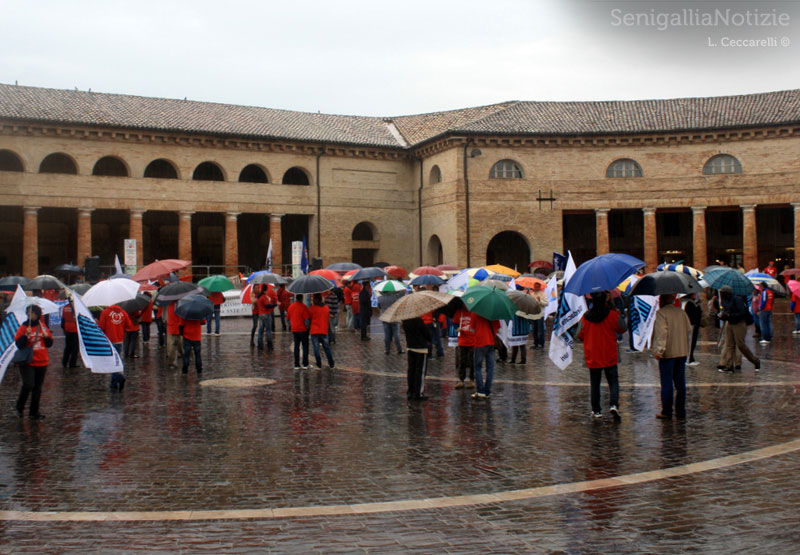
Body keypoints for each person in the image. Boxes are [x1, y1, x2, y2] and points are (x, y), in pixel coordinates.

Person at [577, 291, 626, 419]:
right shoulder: (612, 315)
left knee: (595, 383)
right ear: (605, 300)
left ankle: (596, 410)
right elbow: (623, 328)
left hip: (593, 354)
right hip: (609, 352)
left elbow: (579, 335)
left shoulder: (586, 316)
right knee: (613, 381)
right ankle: (613, 404)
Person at [652, 294, 692, 419]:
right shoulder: (681, 312)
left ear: (662, 301)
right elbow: (689, 329)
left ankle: (667, 411)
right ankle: (680, 410)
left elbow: (662, 333)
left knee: (667, 382)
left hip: (668, 353)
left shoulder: (661, 314)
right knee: (680, 383)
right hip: (682, 351)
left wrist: (659, 350)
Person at [14, 305, 54, 419]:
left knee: (37, 388)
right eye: (28, 313)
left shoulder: (43, 326)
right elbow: (19, 344)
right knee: (28, 384)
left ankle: (34, 412)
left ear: (38, 314)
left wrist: (47, 337)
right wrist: (25, 335)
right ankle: (20, 407)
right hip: (28, 361)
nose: (30, 315)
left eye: (32, 313)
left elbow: (49, 344)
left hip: (42, 361)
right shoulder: (24, 327)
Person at [718, 285, 761, 373]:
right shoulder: (724, 300)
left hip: (739, 324)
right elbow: (725, 310)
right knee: (730, 345)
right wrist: (723, 316)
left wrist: (729, 315)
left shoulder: (737, 300)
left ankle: (755, 360)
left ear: (727, 293)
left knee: (740, 345)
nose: (720, 295)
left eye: (722, 293)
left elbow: (741, 313)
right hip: (730, 323)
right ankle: (729, 366)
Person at [99, 303, 131, 390]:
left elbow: (101, 327)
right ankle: (114, 382)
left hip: (109, 341)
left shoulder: (105, 312)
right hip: (119, 340)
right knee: (117, 360)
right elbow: (129, 326)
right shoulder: (123, 313)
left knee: (111, 361)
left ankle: (118, 378)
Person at [471, 313, 499, 400]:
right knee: (490, 368)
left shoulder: (475, 313)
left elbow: (472, 329)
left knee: (478, 367)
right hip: (491, 342)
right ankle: (487, 390)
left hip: (480, 342)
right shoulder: (494, 313)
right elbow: (498, 328)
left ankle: (480, 390)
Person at [402, 316, 431, 400]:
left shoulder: (405, 321)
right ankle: (418, 393)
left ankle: (410, 391)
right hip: (421, 349)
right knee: (420, 372)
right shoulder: (419, 321)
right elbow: (428, 335)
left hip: (410, 347)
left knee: (411, 370)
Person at [452, 306, 475, 389]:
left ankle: (472, 379)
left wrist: (471, 330)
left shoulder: (474, 312)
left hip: (472, 341)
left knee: (472, 361)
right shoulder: (459, 312)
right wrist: (457, 328)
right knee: (462, 361)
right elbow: (454, 323)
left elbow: (476, 326)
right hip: (462, 341)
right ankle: (461, 380)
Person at [309, 293, 335, 369]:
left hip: (314, 331)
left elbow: (309, 317)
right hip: (324, 330)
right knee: (327, 348)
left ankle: (319, 364)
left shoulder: (312, 308)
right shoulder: (326, 308)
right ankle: (331, 364)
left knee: (316, 349)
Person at [287, 293, 311, 369]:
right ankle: (305, 364)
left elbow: (288, 319)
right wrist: (308, 328)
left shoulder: (291, 307)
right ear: (301, 298)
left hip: (295, 329)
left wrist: (290, 326)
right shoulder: (304, 307)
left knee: (296, 347)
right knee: (305, 346)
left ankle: (296, 364)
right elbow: (307, 320)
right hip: (303, 329)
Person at [682, 293, 702, 366]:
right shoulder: (690, 303)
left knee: (692, 341)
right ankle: (688, 359)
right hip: (692, 324)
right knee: (690, 342)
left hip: (693, 324)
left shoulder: (691, 303)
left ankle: (690, 357)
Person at [256, 286, 278, 351]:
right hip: (266, 314)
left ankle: (260, 345)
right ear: (265, 290)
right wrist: (275, 304)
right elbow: (267, 305)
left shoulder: (259, 297)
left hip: (260, 314)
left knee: (260, 330)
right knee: (268, 330)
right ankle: (269, 345)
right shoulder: (264, 297)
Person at [60, 299, 80, 368]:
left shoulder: (65, 307)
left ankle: (64, 362)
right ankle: (72, 363)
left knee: (68, 347)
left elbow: (63, 319)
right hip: (75, 329)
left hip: (67, 329)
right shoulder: (75, 308)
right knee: (75, 348)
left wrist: (63, 328)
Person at [165, 301, 184, 369]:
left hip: (171, 326)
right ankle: (171, 362)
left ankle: (181, 355)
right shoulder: (177, 305)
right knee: (175, 344)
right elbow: (179, 317)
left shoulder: (169, 304)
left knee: (174, 343)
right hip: (176, 327)